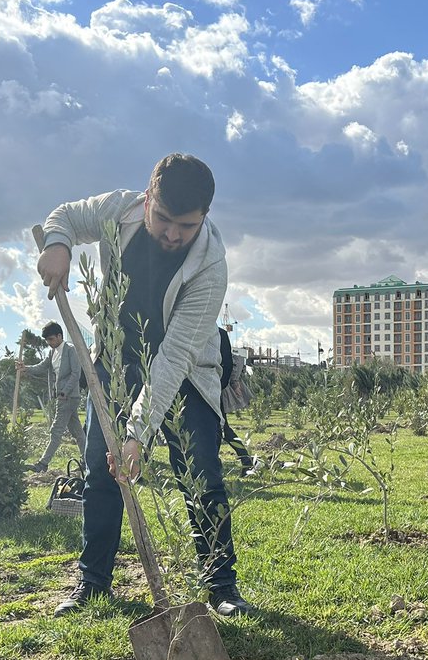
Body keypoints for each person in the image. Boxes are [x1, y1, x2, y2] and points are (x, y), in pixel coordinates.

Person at [36, 154, 254, 617]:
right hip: (114, 364)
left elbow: (173, 357)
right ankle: (93, 582)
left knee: (200, 474)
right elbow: (67, 217)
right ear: (147, 197)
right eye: (164, 219)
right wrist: (59, 243)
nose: (173, 234)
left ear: (205, 217)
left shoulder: (210, 266)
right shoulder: (118, 209)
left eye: (187, 226)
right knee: (101, 472)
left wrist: (137, 434)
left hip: (186, 374)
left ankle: (221, 587)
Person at [16, 320, 86, 472]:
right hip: (61, 397)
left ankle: (43, 464)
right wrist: (25, 368)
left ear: (59, 336)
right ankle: (88, 461)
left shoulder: (70, 350)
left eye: (51, 339)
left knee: (56, 430)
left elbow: (76, 374)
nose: (49, 342)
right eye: (47, 340)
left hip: (68, 397)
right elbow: (42, 367)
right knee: (78, 432)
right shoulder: (52, 352)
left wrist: (64, 392)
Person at [218, 327, 258, 475]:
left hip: (211, 392)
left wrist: (233, 383)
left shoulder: (217, 335)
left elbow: (229, 363)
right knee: (222, 429)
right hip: (210, 391)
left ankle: (245, 460)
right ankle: (245, 460)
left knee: (222, 428)